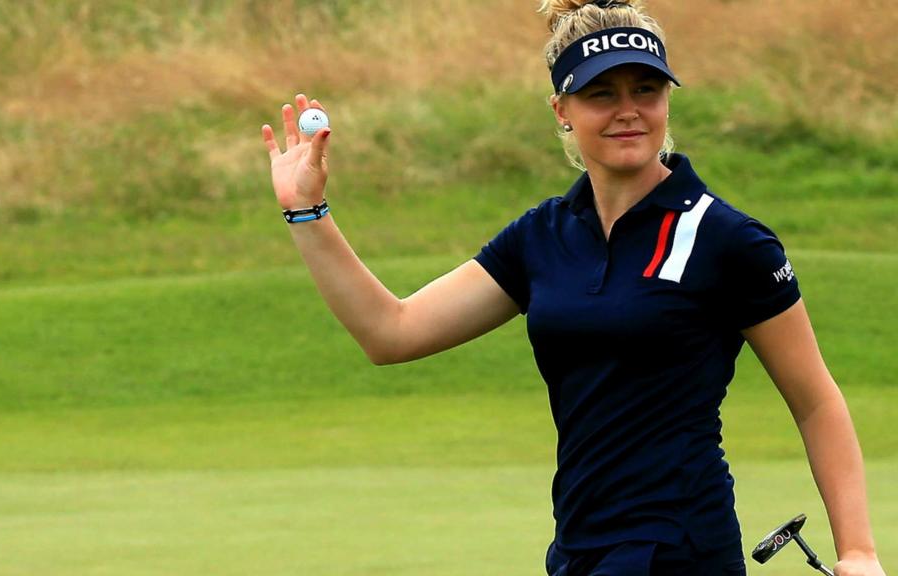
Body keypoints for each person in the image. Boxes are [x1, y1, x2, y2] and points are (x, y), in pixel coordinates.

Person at [259, 0, 887, 573]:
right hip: (577, 548)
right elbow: (391, 333)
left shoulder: (726, 239)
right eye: (600, 94)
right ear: (561, 109)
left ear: (668, 98)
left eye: (646, 88)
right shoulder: (542, 237)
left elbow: (815, 399)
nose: (628, 110)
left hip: (676, 547)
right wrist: (308, 214)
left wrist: (857, 550)